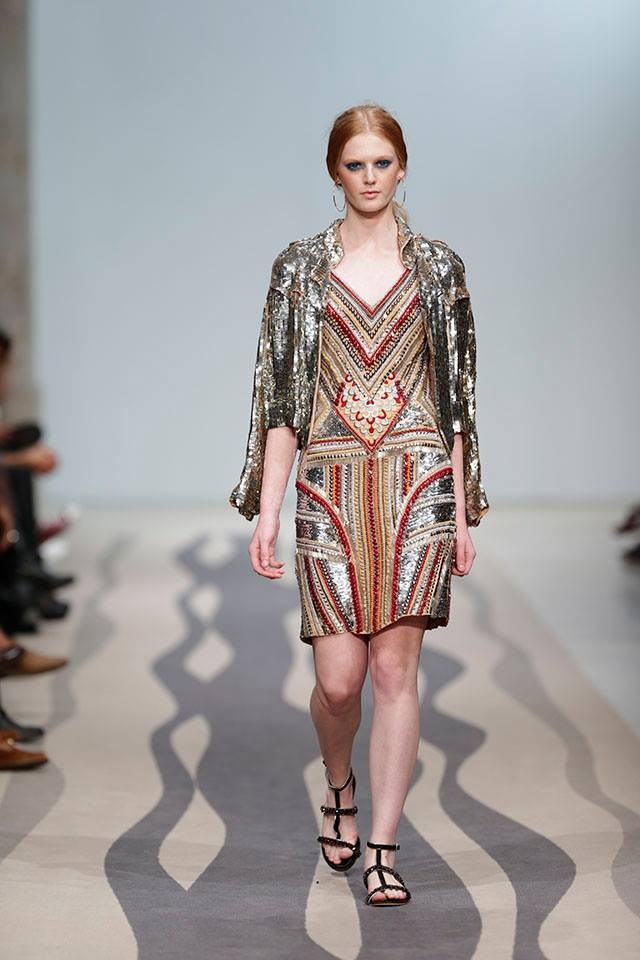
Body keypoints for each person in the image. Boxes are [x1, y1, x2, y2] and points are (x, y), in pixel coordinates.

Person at [229, 102, 490, 907]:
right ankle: (337, 783)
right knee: (340, 682)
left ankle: (383, 846)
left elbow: (456, 401)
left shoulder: (439, 269)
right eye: (355, 165)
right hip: (330, 484)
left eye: (382, 163)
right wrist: (268, 511)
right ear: (334, 172)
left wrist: (461, 508)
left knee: (394, 670)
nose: (370, 178)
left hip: (417, 484)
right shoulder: (299, 270)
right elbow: (282, 403)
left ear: (402, 168)